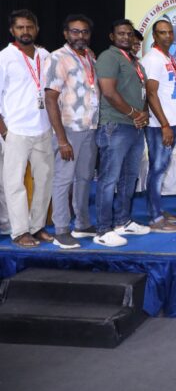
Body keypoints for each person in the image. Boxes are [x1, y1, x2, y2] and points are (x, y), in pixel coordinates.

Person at [93, 19, 152, 247]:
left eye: (129, 34)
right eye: (121, 33)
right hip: (115, 126)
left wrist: (142, 114)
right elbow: (108, 91)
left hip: (134, 127)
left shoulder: (135, 62)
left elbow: (142, 93)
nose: (126, 37)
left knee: (129, 177)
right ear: (112, 36)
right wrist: (134, 113)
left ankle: (122, 221)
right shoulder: (109, 57)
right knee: (109, 179)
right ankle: (102, 230)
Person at [44, 14, 100, 249]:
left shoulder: (90, 57)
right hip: (68, 129)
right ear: (66, 33)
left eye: (85, 31)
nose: (80, 36)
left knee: (84, 178)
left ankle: (82, 224)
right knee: (63, 180)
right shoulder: (57, 57)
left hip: (90, 127)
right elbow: (50, 99)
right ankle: (61, 230)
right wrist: (62, 139)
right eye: (75, 31)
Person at [0, 9, 54, 248]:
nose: (25, 31)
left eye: (29, 27)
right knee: (14, 183)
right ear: (12, 30)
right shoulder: (4, 57)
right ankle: (20, 231)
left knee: (44, 180)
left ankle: (37, 226)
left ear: (37, 29)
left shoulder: (45, 55)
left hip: (43, 128)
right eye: (20, 27)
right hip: (16, 130)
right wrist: (4, 131)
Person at [139, 19, 176, 233]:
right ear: (155, 36)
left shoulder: (167, 57)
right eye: (162, 33)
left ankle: (156, 209)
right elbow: (151, 93)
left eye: (170, 32)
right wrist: (165, 125)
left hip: (169, 122)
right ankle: (155, 218)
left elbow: (171, 91)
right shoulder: (152, 59)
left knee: (160, 168)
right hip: (159, 124)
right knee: (157, 169)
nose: (167, 36)